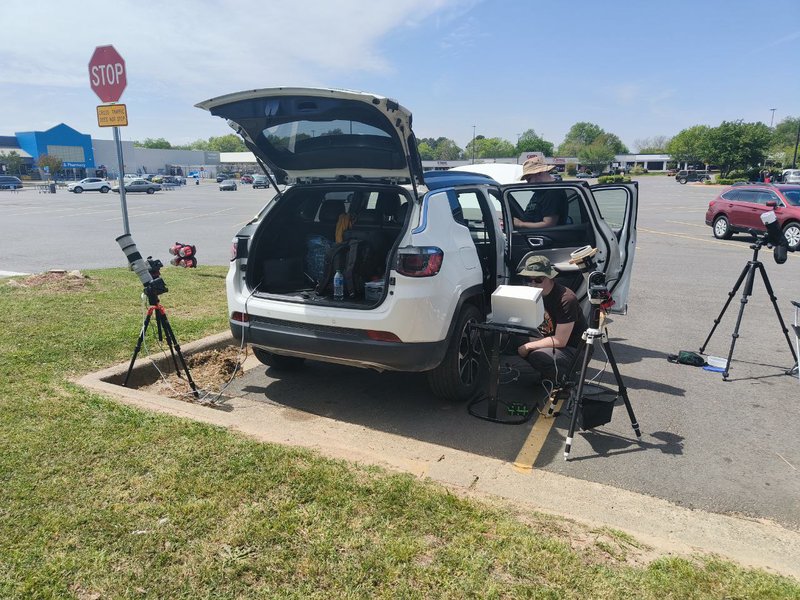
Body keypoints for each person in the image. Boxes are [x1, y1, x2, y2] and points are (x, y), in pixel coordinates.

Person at [516, 254, 587, 383]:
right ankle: (547, 372)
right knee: (509, 339)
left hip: (574, 349)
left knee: (538, 356)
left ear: (550, 277)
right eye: (529, 279)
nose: (533, 284)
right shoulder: (534, 293)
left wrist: (528, 346)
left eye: (538, 280)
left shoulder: (566, 299)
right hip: (548, 337)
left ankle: (566, 380)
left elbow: (560, 341)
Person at [513, 156, 567, 229]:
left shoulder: (553, 192)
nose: (528, 183)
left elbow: (549, 224)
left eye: (529, 179)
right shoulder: (541, 190)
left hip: (540, 237)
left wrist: (520, 224)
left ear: (539, 173)